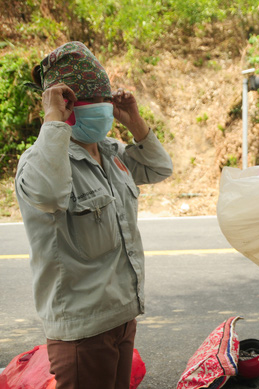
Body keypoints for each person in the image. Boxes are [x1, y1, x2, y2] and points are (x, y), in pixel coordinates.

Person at [15, 41, 173, 389]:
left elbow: (160, 169)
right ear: (68, 109)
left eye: (106, 102)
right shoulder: (41, 163)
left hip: (122, 316)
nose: (103, 110)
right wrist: (53, 119)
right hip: (83, 330)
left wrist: (134, 120)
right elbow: (47, 192)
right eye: (92, 104)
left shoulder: (112, 153)